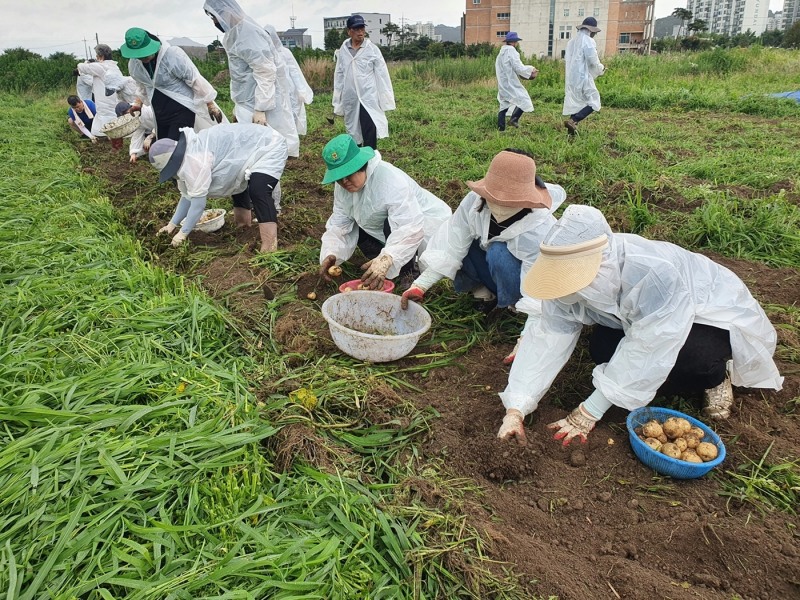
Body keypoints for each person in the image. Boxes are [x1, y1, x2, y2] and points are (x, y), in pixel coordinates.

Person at [496, 205, 784, 447]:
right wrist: (517, 406)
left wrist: (589, 411)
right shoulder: (563, 273)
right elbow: (549, 333)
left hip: (706, 315)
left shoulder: (653, 273)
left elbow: (653, 342)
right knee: (603, 349)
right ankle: (646, 383)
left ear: (599, 261)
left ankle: (716, 376)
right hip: (641, 321)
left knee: (692, 361)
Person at [401, 149, 565, 364]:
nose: (499, 203)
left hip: (521, 281)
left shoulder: (540, 227)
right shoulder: (474, 202)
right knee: (469, 243)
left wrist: (527, 338)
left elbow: (540, 286)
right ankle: (485, 294)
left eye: (510, 199)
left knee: (498, 251)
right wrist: (420, 285)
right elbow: (453, 243)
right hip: (491, 268)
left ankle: (510, 305)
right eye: (494, 196)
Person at [318, 134, 452, 291]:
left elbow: (409, 227)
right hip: (380, 226)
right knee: (355, 221)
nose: (344, 182)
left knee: (392, 225)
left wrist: (389, 257)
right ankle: (378, 262)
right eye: (339, 178)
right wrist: (331, 253)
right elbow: (340, 222)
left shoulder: (391, 182)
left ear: (361, 165)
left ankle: (408, 272)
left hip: (424, 226)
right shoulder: (342, 188)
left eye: (348, 174)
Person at [149, 123, 288, 251]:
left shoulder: (193, 162)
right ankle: (244, 229)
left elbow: (197, 205)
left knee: (258, 190)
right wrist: (171, 225)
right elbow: (187, 197)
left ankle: (269, 247)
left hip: (268, 144)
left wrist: (183, 233)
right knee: (234, 179)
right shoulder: (184, 162)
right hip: (242, 152)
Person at [203, 0, 300, 157]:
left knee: (265, 153)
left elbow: (265, 72)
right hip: (247, 103)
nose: (214, 22)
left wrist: (260, 108)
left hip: (259, 105)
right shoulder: (232, 35)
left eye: (214, 17)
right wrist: (238, 106)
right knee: (250, 152)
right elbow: (239, 76)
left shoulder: (248, 33)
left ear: (226, 13)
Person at [121, 28, 225, 143]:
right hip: (159, 111)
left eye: (145, 54)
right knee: (163, 146)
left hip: (181, 108)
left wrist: (210, 104)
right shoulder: (135, 64)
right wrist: (138, 104)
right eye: (139, 56)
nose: (142, 58)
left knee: (176, 146)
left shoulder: (172, 56)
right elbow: (142, 85)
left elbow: (194, 79)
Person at [332, 14, 395, 150]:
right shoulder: (343, 50)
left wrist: (385, 99)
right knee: (353, 130)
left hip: (368, 97)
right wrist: (337, 100)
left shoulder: (372, 50)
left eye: (362, 29)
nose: (361, 32)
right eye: (357, 29)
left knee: (369, 128)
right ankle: (358, 163)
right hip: (350, 98)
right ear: (349, 31)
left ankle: (371, 160)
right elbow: (339, 75)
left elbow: (382, 74)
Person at [76, 44, 127, 149]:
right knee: (112, 121)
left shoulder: (101, 66)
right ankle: (115, 144)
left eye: (97, 55)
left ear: (101, 56)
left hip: (104, 101)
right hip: (113, 99)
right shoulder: (114, 67)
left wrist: (87, 62)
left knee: (108, 123)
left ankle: (114, 146)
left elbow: (82, 67)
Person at [563, 17, 605, 136]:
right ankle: (574, 120)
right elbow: (593, 61)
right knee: (594, 101)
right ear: (591, 30)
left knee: (576, 103)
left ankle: (570, 135)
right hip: (583, 77)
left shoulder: (572, 41)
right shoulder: (588, 41)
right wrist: (601, 69)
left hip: (571, 78)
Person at [495, 32, 538, 131]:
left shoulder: (501, 52)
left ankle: (500, 129)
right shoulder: (512, 51)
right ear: (514, 42)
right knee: (524, 99)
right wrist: (531, 70)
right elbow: (518, 67)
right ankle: (514, 119)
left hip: (503, 82)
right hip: (510, 82)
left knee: (504, 105)